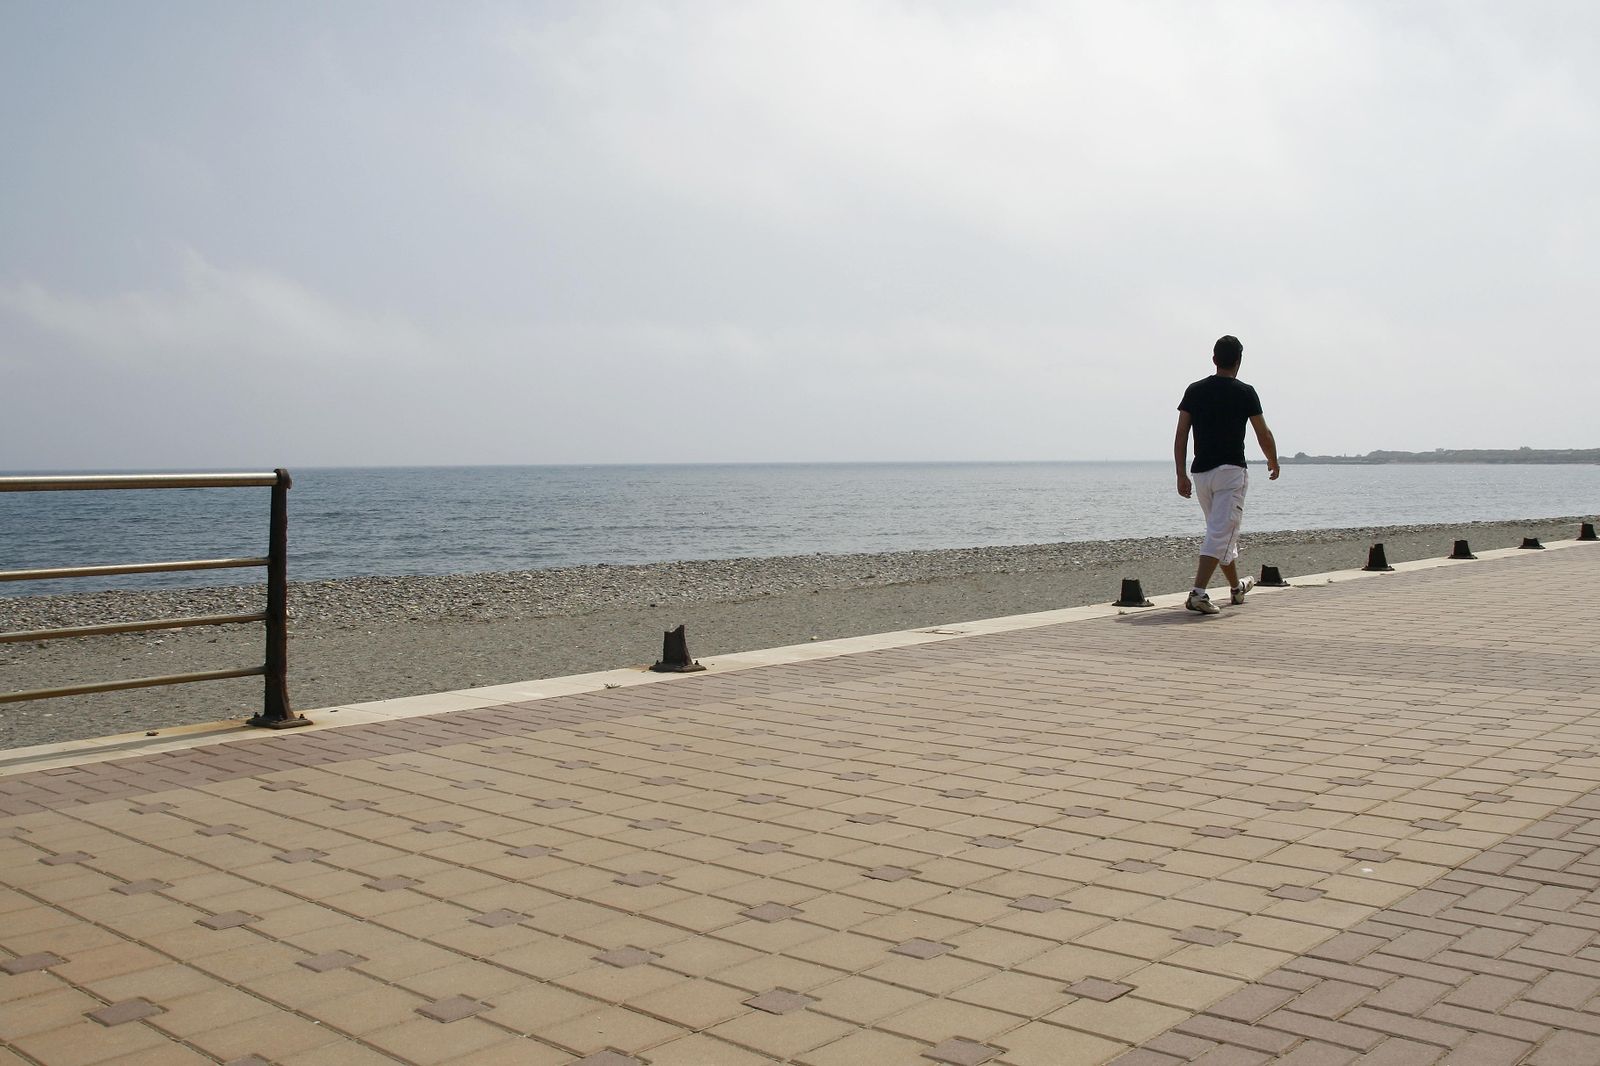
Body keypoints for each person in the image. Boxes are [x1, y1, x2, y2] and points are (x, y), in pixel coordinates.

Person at [1174, 335, 1280, 615]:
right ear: (1238, 361)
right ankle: (1197, 594)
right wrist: (1273, 460)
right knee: (1220, 533)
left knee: (1219, 532)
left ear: (1214, 359)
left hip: (1201, 474)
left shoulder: (1194, 390)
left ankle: (1236, 589)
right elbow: (1263, 433)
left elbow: (1181, 434)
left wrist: (1180, 474)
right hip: (1231, 472)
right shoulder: (1245, 392)